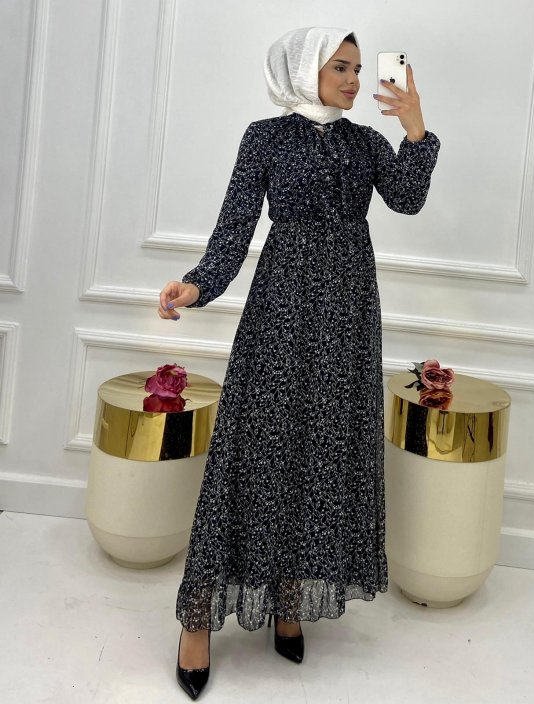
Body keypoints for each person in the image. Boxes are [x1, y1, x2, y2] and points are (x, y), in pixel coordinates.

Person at [158, 26, 440, 700]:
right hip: (281, 307)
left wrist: (415, 129)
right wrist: (197, 285)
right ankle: (197, 619)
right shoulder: (265, 138)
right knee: (257, 448)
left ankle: (290, 596)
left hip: (349, 315)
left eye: (357, 68)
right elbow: (234, 229)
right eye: (339, 67)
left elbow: (407, 198)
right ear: (304, 68)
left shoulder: (365, 143)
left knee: (321, 452)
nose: (353, 80)